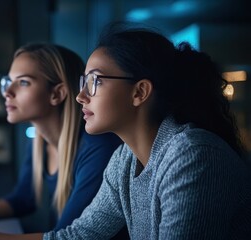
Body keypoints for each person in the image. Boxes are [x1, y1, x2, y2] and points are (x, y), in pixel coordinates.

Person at [43, 23, 251, 239]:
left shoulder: (193, 155)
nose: (80, 96)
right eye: (84, 82)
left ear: (140, 92)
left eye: (95, 81)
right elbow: (80, 234)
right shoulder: (125, 159)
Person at [0, 43, 123, 238]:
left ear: (57, 93)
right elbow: (23, 199)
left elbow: (66, 237)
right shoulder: (38, 142)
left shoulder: (97, 148)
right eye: (8, 82)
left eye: (23, 82)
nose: (7, 92)